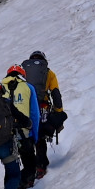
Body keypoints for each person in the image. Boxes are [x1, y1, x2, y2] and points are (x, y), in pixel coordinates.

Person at [20, 50, 66, 179]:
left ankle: (29, 169)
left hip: (25, 109)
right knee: (40, 137)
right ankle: (40, 166)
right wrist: (59, 113)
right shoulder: (49, 73)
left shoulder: (22, 74)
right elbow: (55, 93)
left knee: (27, 138)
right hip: (42, 108)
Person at [2, 64, 40, 189]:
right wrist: (34, 135)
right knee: (30, 166)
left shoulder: (0, 88)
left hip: (5, 136)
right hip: (24, 133)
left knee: (9, 168)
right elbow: (34, 114)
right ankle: (21, 184)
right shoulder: (28, 87)